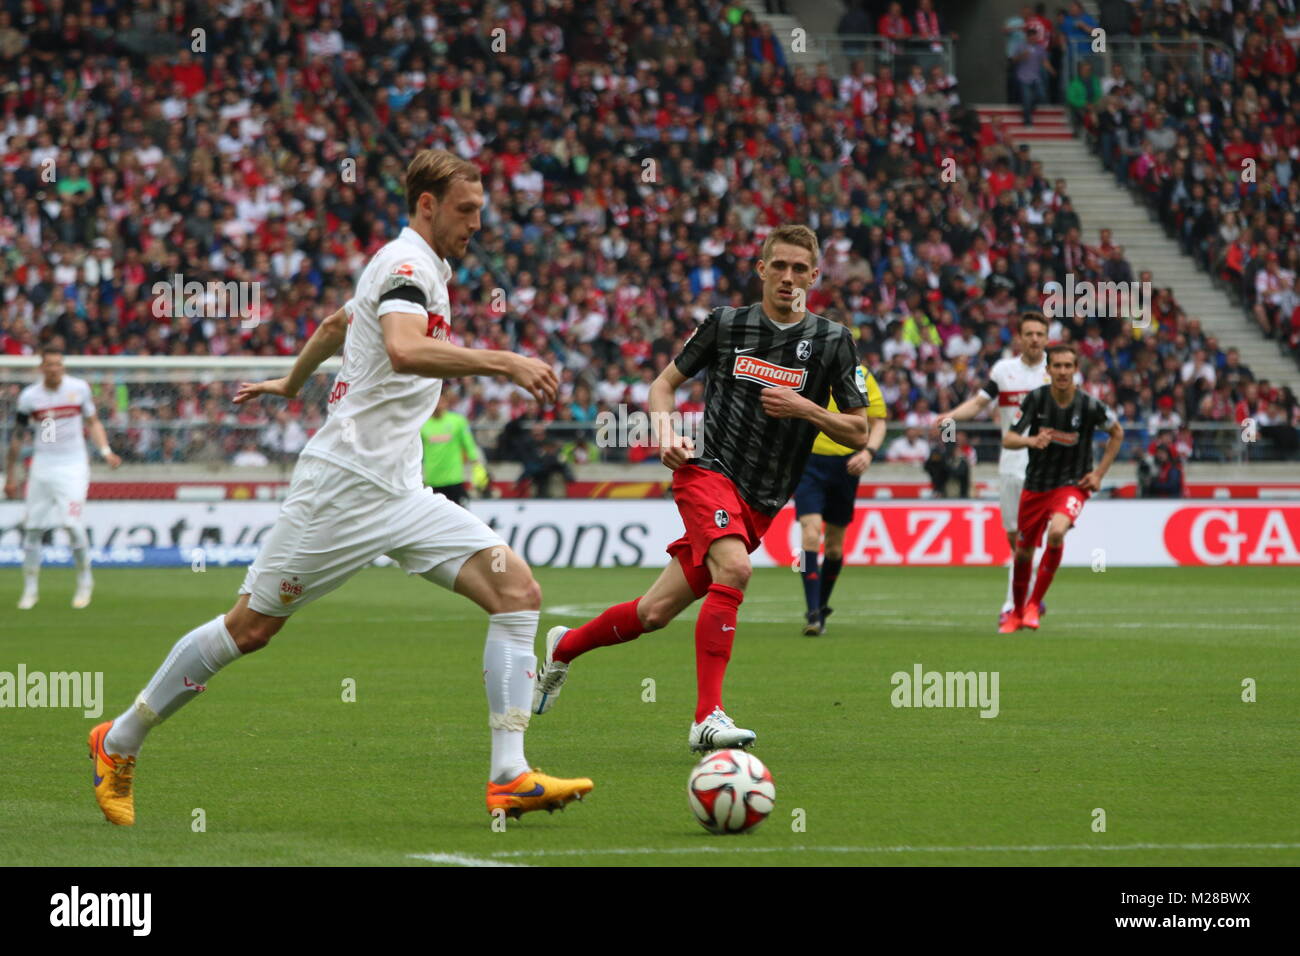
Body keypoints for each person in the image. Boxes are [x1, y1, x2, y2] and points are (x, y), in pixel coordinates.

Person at [86, 150, 593, 827]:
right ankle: (117, 741)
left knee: (517, 592)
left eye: (481, 211)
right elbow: (406, 348)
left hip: (400, 492)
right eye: (465, 211)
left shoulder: (415, 267)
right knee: (251, 627)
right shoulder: (408, 265)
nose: (477, 223)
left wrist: (293, 383)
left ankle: (509, 775)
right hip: (343, 488)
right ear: (426, 206)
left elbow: (335, 325)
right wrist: (502, 361)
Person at [532, 225, 870, 751]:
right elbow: (662, 384)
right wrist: (665, 432)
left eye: (799, 268)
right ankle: (706, 717)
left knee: (653, 613)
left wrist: (805, 407)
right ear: (760, 269)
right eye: (778, 265)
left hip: (761, 501)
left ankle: (563, 648)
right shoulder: (725, 325)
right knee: (734, 569)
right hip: (707, 472)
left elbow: (859, 429)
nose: (788, 277)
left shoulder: (833, 341)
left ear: (815, 275)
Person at [1000, 343, 1123, 633]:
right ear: (1048, 370)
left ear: (1076, 370)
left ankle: (1033, 606)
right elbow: (1009, 439)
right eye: (1057, 366)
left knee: (1056, 533)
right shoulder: (1035, 401)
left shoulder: (1090, 405)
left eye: (1068, 366)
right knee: (1023, 553)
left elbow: (1117, 433)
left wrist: (1099, 474)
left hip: (1072, 484)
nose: (1063, 371)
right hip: (1036, 486)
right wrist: (1030, 441)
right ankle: (1017, 612)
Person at [941, 312, 1049, 629]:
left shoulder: (1056, 370)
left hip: (1045, 466)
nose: (1033, 339)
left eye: (1039, 334)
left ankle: (1012, 606)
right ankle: (1030, 593)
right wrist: (951, 416)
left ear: (1046, 338)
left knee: (1030, 538)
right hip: (1011, 463)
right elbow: (979, 403)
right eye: (1028, 333)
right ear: (1019, 337)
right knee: (1015, 538)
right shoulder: (1003, 371)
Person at [5, 347, 121, 609]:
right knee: (33, 529)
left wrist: (105, 451)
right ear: (41, 368)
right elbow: (17, 437)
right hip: (42, 466)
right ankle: (31, 589)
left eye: (58, 364)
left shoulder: (78, 389)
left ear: (63, 366)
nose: (54, 368)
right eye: (49, 364)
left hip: (73, 466)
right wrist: (10, 475)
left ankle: (84, 582)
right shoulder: (30, 397)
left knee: (72, 525)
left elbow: (93, 422)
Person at [793, 349, 887, 635]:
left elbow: (878, 420)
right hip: (809, 461)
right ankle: (812, 611)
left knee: (834, 546)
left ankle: (821, 606)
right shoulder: (804, 370)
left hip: (846, 465)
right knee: (810, 533)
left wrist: (869, 452)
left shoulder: (860, 374)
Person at [420, 389, 487, 505]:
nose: (438, 404)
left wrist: (476, 464)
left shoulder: (458, 421)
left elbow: (468, 443)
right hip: (432, 479)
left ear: (446, 402)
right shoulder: (423, 424)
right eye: (435, 401)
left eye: (441, 401)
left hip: (454, 478)